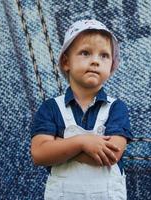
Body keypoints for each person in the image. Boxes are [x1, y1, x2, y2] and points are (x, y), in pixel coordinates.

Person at [31, 19, 133, 200]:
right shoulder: (51, 108)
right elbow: (39, 154)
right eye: (85, 53)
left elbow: (112, 154)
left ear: (112, 66)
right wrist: (83, 142)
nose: (95, 61)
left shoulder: (116, 108)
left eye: (104, 56)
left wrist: (59, 146)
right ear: (65, 62)